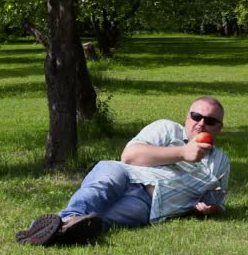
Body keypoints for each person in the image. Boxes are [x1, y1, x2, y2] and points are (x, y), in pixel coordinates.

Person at [15, 96, 231, 246]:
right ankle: (67, 220)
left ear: (219, 128)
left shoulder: (220, 161)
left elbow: (217, 200)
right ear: (187, 116)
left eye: (210, 121)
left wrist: (211, 208)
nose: (201, 124)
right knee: (100, 188)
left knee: (98, 220)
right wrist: (184, 152)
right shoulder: (166, 128)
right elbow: (130, 155)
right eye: (196, 116)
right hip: (124, 174)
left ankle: (47, 230)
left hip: (150, 203)